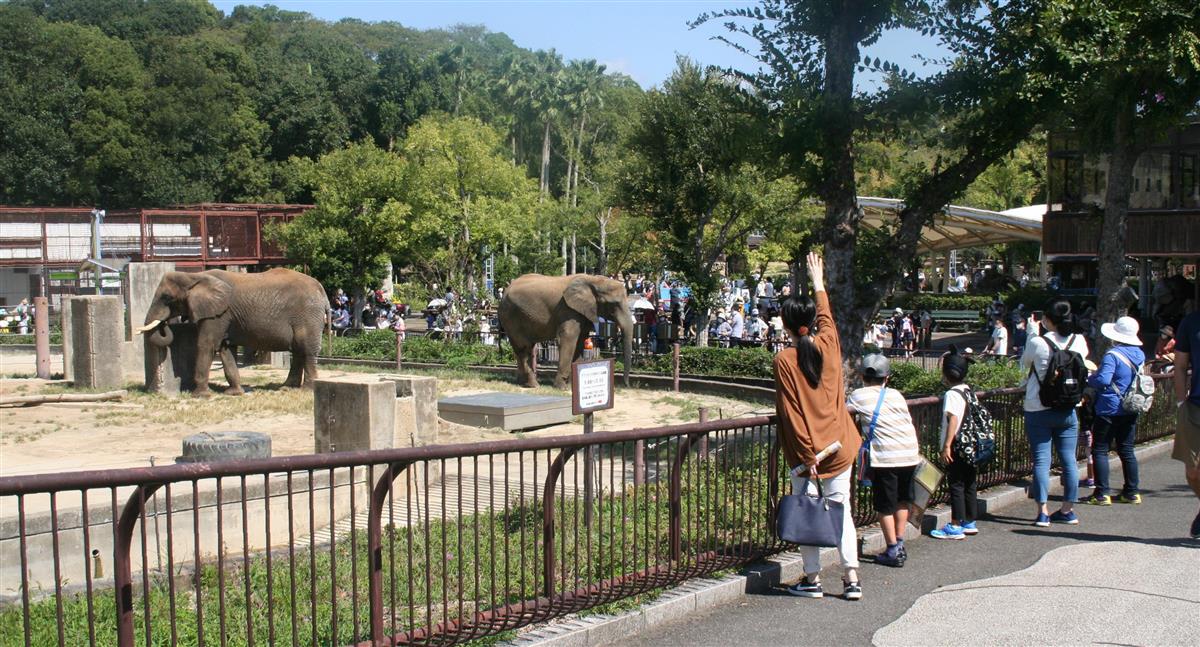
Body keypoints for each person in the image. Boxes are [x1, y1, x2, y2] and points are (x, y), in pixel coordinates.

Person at [774, 252, 863, 601]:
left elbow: (792, 413)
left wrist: (807, 456)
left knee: (809, 516)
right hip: (840, 448)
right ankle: (851, 578)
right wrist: (819, 284)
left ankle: (812, 580)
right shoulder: (828, 344)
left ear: (784, 325)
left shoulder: (784, 360)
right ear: (809, 322)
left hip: (807, 458)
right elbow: (827, 319)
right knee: (843, 514)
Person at [1020, 300, 1090, 526]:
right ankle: (1068, 509)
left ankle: (1042, 512)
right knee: (1069, 460)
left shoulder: (1039, 342)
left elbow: (1024, 364)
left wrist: (1033, 332)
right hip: (1068, 408)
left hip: (1038, 407)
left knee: (1042, 460)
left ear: (1048, 320)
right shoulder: (1079, 341)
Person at [847, 354, 921, 566]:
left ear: (862, 376)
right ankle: (898, 542)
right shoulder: (896, 394)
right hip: (909, 452)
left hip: (886, 456)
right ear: (886, 377)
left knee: (884, 506)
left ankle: (892, 550)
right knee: (901, 500)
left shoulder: (857, 396)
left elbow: (845, 415)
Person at [1083, 316, 1145, 506]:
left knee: (1100, 449)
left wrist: (1090, 379)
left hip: (1109, 408)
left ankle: (1101, 493)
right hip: (1131, 406)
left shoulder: (1113, 355)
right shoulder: (1139, 354)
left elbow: (1103, 380)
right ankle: (1132, 492)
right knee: (1126, 449)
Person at [931, 347, 980, 540]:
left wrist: (946, 445)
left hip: (958, 444)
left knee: (956, 484)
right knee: (970, 482)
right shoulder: (969, 391)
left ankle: (955, 524)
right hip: (971, 444)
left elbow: (953, 420)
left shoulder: (952, 394)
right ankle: (970, 521)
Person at [1172, 310, 1200, 539]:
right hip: (1195, 407)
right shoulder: (1191, 322)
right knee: (1193, 471)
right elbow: (1179, 365)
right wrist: (1182, 402)